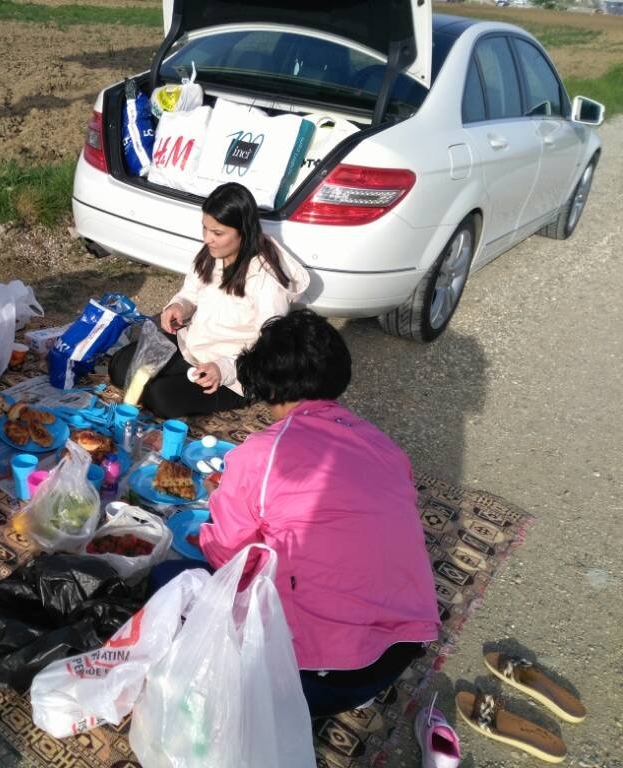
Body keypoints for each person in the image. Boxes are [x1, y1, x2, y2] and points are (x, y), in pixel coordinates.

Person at [155, 310, 441, 718]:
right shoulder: (383, 446)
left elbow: (229, 559)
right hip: (400, 653)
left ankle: (269, 695)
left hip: (315, 676)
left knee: (168, 580)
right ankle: (352, 688)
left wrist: (218, 513)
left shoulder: (262, 453)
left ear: (265, 383)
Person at [109, 182, 308, 418]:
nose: (207, 239)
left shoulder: (267, 279)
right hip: (194, 347)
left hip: (234, 372)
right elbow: (190, 292)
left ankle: (197, 387)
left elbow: (269, 346)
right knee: (121, 367)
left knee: (159, 397)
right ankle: (173, 377)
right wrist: (179, 306)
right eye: (205, 228)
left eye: (217, 233)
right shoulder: (211, 254)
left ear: (243, 231)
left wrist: (223, 368)